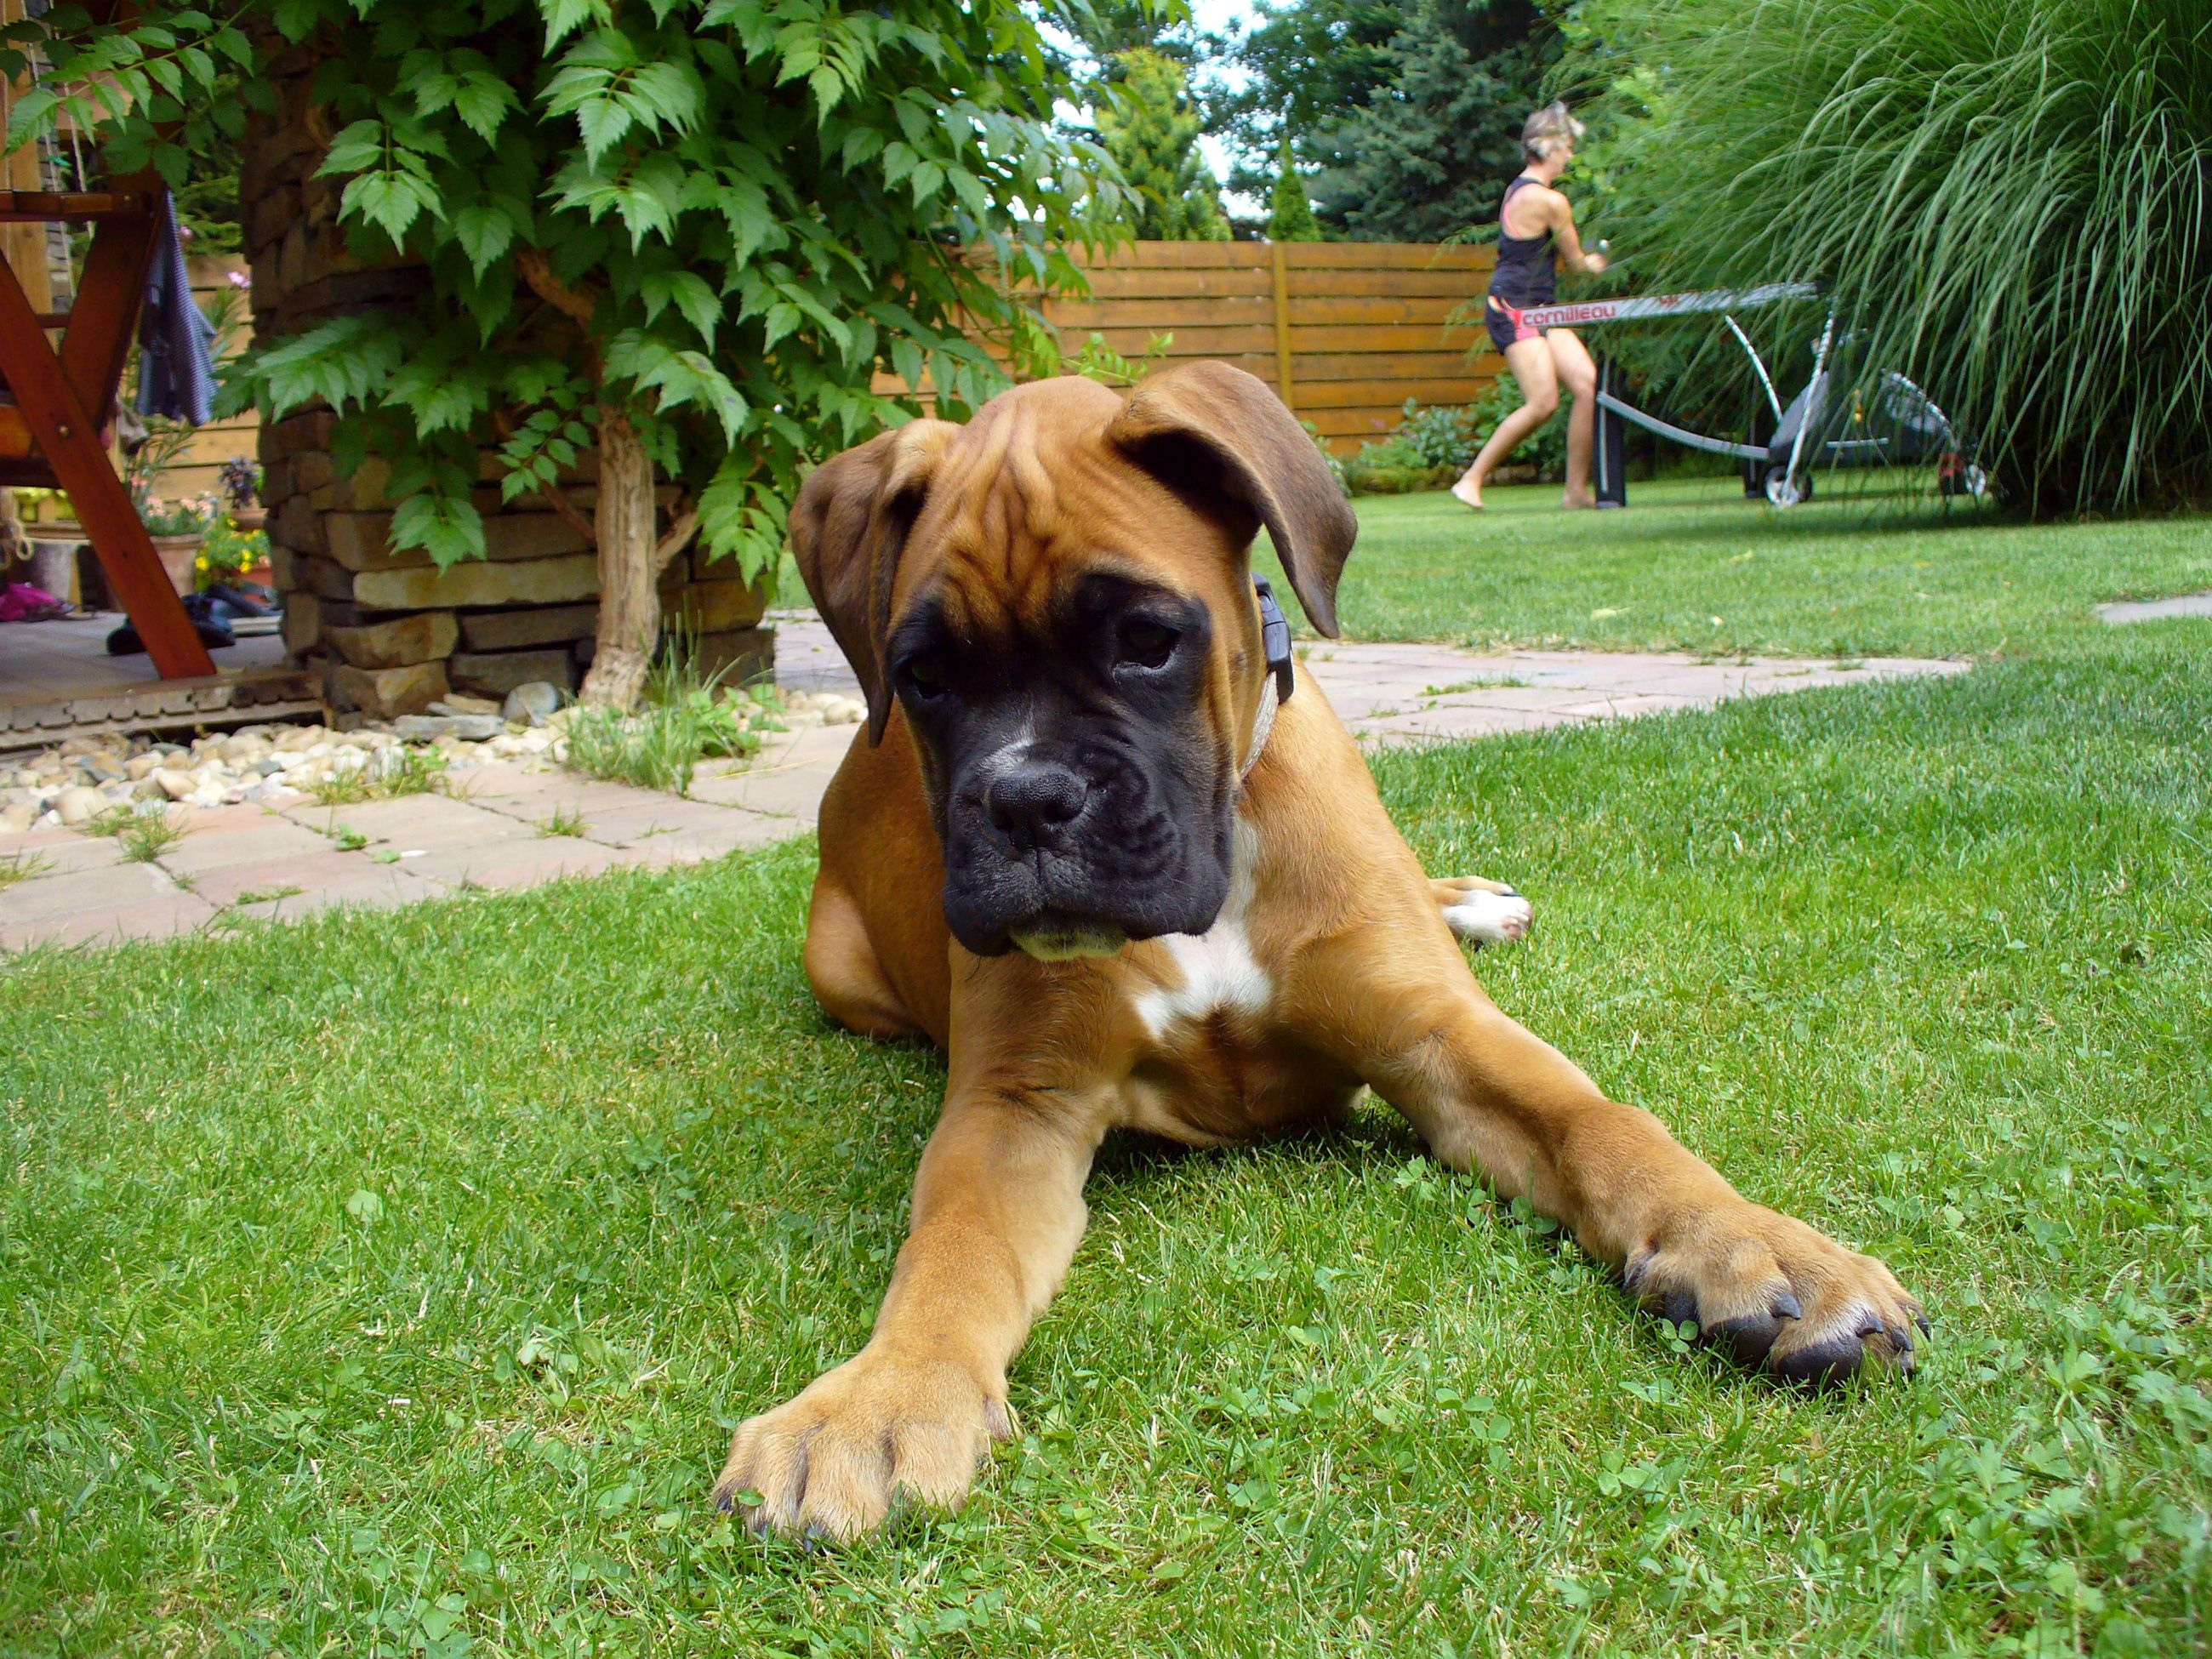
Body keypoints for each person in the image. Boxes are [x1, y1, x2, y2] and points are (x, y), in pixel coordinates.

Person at [1452, 102, 1608, 511]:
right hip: (1514, 308)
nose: (1570, 156)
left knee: (1587, 384)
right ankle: (1471, 479)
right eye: (1567, 147)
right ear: (1548, 147)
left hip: (1543, 309)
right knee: (1543, 401)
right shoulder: (1550, 201)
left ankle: (1576, 491)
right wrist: (1595, 262)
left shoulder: (1518, 189)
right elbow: (1577, 264)